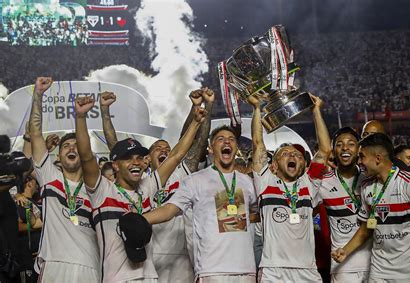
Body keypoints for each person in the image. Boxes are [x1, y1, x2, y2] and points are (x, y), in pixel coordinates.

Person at [74, 94, 207, 282]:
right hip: (118, 279)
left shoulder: (147, 187)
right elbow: (86, 156)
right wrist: (80, 118)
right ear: (115, 165)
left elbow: (176, 155)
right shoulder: (102, 191)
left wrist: (195, 122)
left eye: (139, 157)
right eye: (128, 158)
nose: (135, 162)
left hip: (150, 276)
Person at [143, 125, 258, 282]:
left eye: (231, 140)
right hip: (211, 270)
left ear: (236, 148)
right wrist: (141, 219)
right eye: (221, 139)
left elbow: (256, 214)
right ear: (210, 148)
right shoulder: (195, 180)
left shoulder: (247, 182)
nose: (227, 142)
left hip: (246, 270)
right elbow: (170, 209)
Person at [332, 133, 410, 283]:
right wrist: (345, 251)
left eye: (362, 156)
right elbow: (367, 228)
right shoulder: (367, 186)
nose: (359, 161)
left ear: (378, 159)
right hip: (379, 270)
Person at [28, 77, 100, 282]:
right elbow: (35, 133)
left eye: (77, 145)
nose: (71, 148)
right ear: (57, 156)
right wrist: (38, 94)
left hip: (90, 267)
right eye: (66, 146)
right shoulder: (50, 176)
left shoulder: (96, 188)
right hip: (54, 265)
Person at [250, 94, 326, 282]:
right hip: (273, 270)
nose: (292, 155)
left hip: (307, 269)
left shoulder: (309, 185)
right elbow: (258, 143)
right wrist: (257, 108)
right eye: (285, 154)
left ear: (303, 166)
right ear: (274, 165)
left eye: (297, 155)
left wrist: (316, 111)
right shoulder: (265, 181)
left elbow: (324, 150)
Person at [315, 127, 371, 283]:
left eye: (351, 144)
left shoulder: (371, 178)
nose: (345, 148)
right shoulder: (324, 182)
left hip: (376, 263)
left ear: (359, 149)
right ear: (333, 151)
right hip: (343, 266)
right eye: (339, 144)